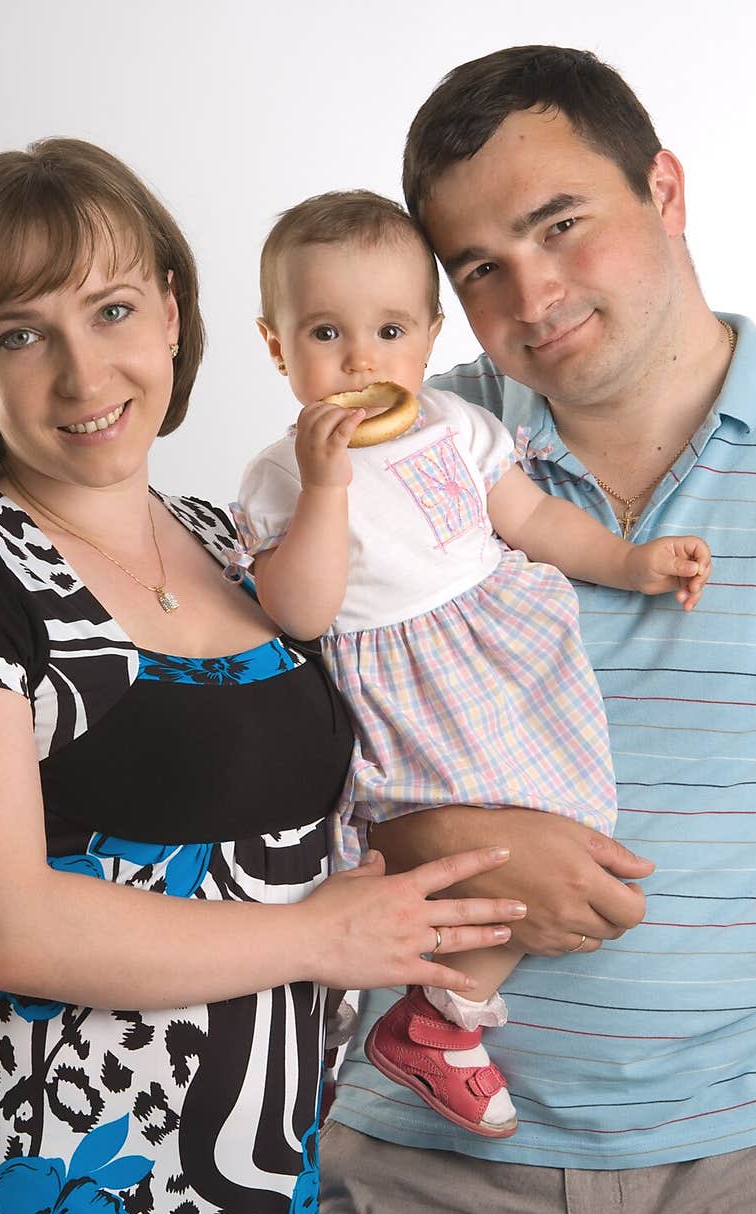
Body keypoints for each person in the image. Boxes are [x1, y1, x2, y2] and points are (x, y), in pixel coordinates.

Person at [317, 45, 756, 1214]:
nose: (532, 291)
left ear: (663, 187)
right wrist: (442, 845)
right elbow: (252, 765)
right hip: (420, 1185)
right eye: (480, 266)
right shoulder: (399, 455)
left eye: (560, 225)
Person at [0, 137, 523, 1214]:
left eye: (112, 309)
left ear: (171, 312)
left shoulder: (232, 537)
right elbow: (3, 927)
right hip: (53, 1200)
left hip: (257, 1192)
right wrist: (319, 935)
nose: (81, 372)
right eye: (18, 333)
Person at [235, 188, 710, 1139]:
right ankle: (437, 1026)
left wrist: (630, 560)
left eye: (389, 329)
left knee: (573, 826)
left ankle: (431, 1023)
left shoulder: (458, 425)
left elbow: (531, 519)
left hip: (497, 658)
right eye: (326, 333)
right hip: (399, 687)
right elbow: (299, 608)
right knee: (473, 856)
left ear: (428, 336)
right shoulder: (284, 472)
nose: (361, 360)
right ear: (278, 347)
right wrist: (326, 486)